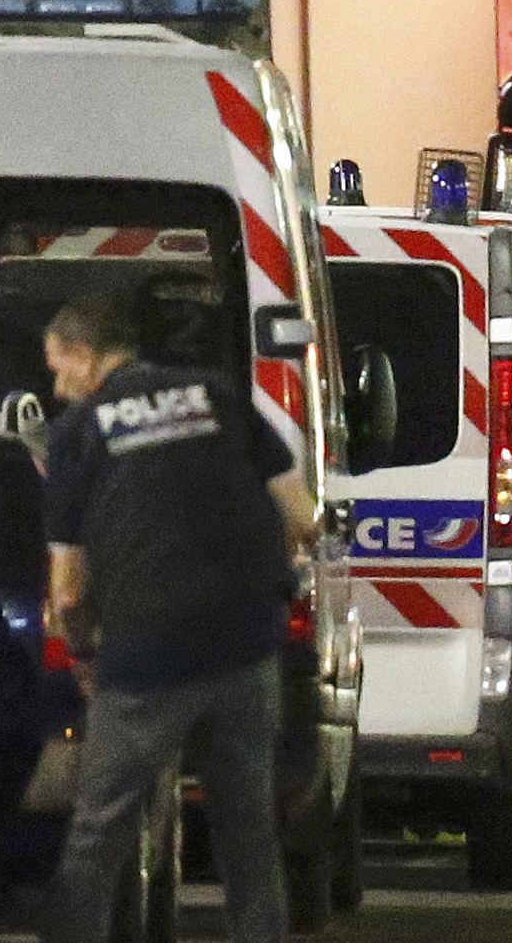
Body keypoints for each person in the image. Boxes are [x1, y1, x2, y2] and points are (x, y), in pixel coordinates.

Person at [40, 294, 315, 943]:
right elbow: (302, 516)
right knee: (248, 832)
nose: (57, 385)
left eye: (57, 368)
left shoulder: (79, 434)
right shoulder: (217, 396)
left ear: (85, 355)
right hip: (246, 648)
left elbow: (69, 591)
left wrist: (83, 658)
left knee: (98, 834)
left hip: (145, 661)